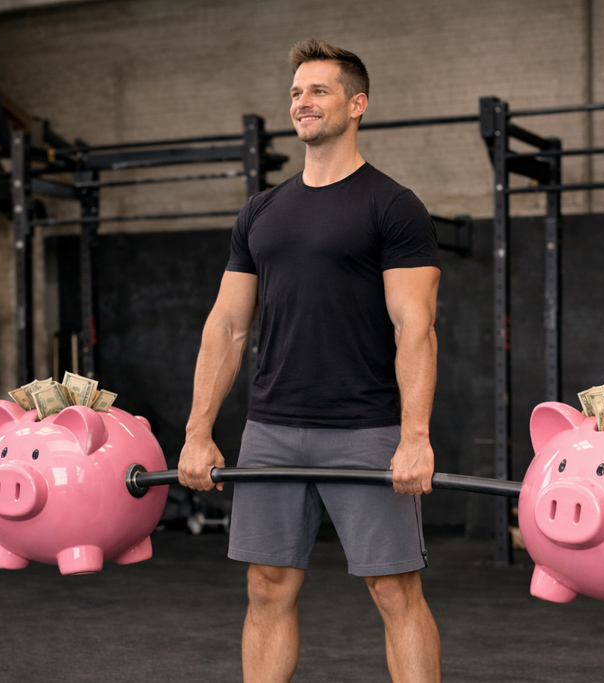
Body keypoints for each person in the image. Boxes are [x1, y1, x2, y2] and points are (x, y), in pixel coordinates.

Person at [178, 37, 442, 682]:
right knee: (266, 587)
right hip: (272, 428)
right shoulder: (262, 211)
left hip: (365, 427)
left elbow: (416, 325)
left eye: (318, 90)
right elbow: (228, 326)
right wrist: (198, 432)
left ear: (358, 104)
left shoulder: (392, 205)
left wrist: (414, 438)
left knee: (393, 591)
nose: (302, 102)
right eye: (296, 92)